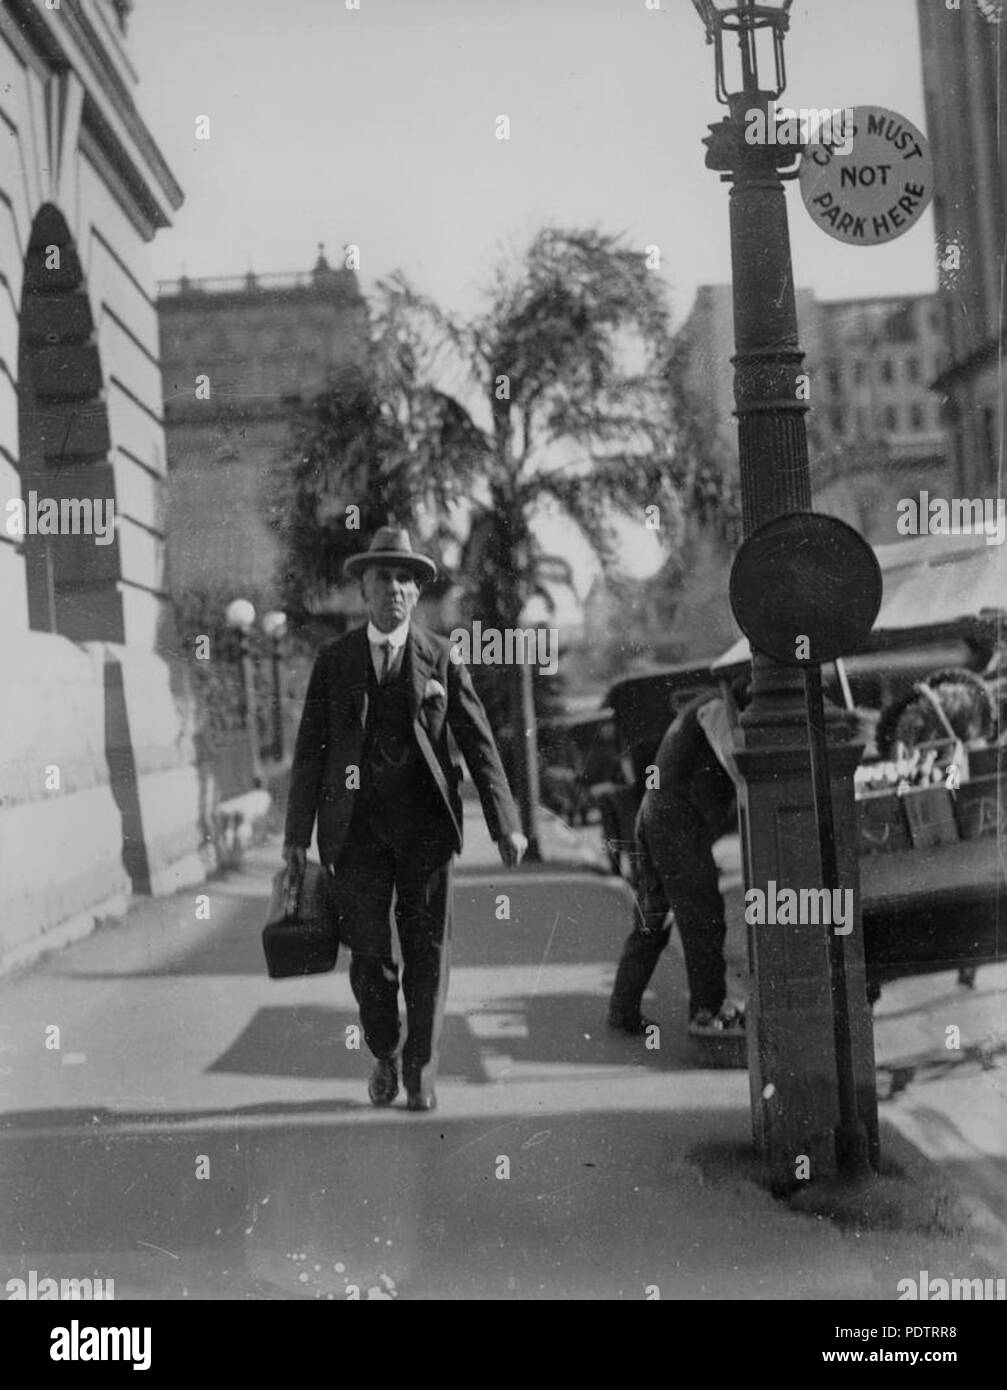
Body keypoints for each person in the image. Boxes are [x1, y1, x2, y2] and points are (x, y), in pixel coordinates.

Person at [283, 526, 527, 1112]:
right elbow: (310, 751)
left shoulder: (441, 657)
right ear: (363, 589)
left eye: (404, 578)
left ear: (417, 593)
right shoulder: (336, 662)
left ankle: (421, 1073)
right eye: (382, 577)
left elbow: (479, 741)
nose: (393, 589)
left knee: (427, 953)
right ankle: (385, 1048)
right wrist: (296, 839)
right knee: (370, 957)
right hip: (357, 833)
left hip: (425, 831)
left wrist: (506, 823)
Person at [607, 680, 749, 1040]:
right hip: (677, 821)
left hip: (655, 812)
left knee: (653, 918)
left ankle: (622, 1011)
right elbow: (736, 763)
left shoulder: (702, 705)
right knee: (702, 918)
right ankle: (707, 1014)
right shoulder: (716, 708)